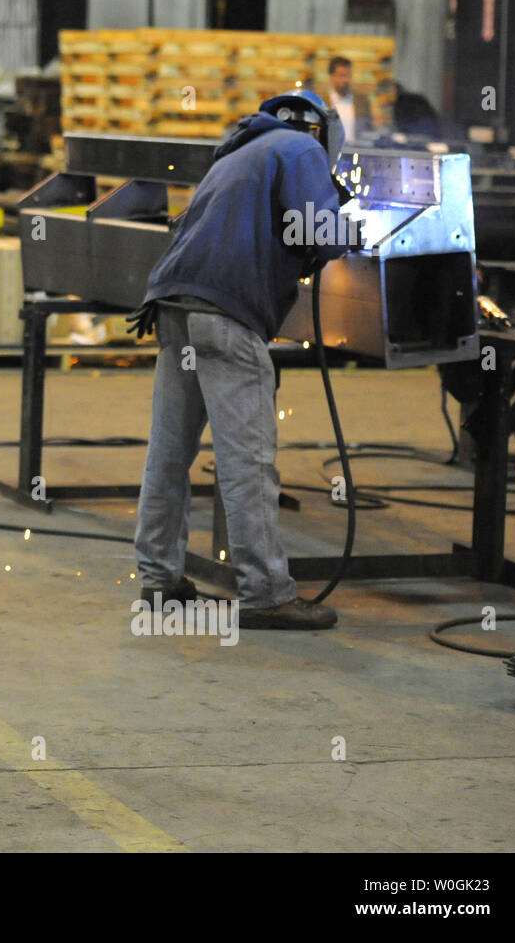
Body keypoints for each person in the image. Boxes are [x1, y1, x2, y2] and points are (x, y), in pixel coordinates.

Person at [128, 89, 353, 631]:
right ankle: (266, 593)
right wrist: (351, 230)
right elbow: (317, 233)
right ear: (323, 134)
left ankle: (159, 577)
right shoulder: (300, 151)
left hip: (177, 303)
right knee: (247, 460)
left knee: (169, 451)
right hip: (226, 312)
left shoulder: (239, 150)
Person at [327, 55, 372, 139]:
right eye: (341, 75)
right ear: (331, 77)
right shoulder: (323, 103)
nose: (345, 80)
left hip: (357, 150)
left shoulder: (362, 102)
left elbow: (369, 130)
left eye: (348, 75)